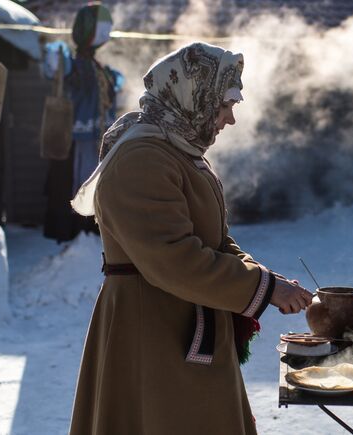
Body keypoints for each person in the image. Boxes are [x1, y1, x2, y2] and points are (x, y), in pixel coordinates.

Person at [67, 42, 314, 434]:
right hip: (151, 333)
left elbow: (215, 240)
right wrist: (264, 288)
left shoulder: (180, 149)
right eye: (225, 104)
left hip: (184, 326)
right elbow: (175, 258)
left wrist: (268, 282)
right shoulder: (142, 157)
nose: (230, 119)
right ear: (193, 95)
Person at [42, 3, 122, 242]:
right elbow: (55, 70)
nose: (107, 33)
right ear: (89, 30)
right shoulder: (72, 65)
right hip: (76, 141)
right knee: (77, 186)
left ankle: (91, 233)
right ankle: (77, 235)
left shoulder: (100, 70)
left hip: (99, 141)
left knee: (97, 185)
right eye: (103, 27)